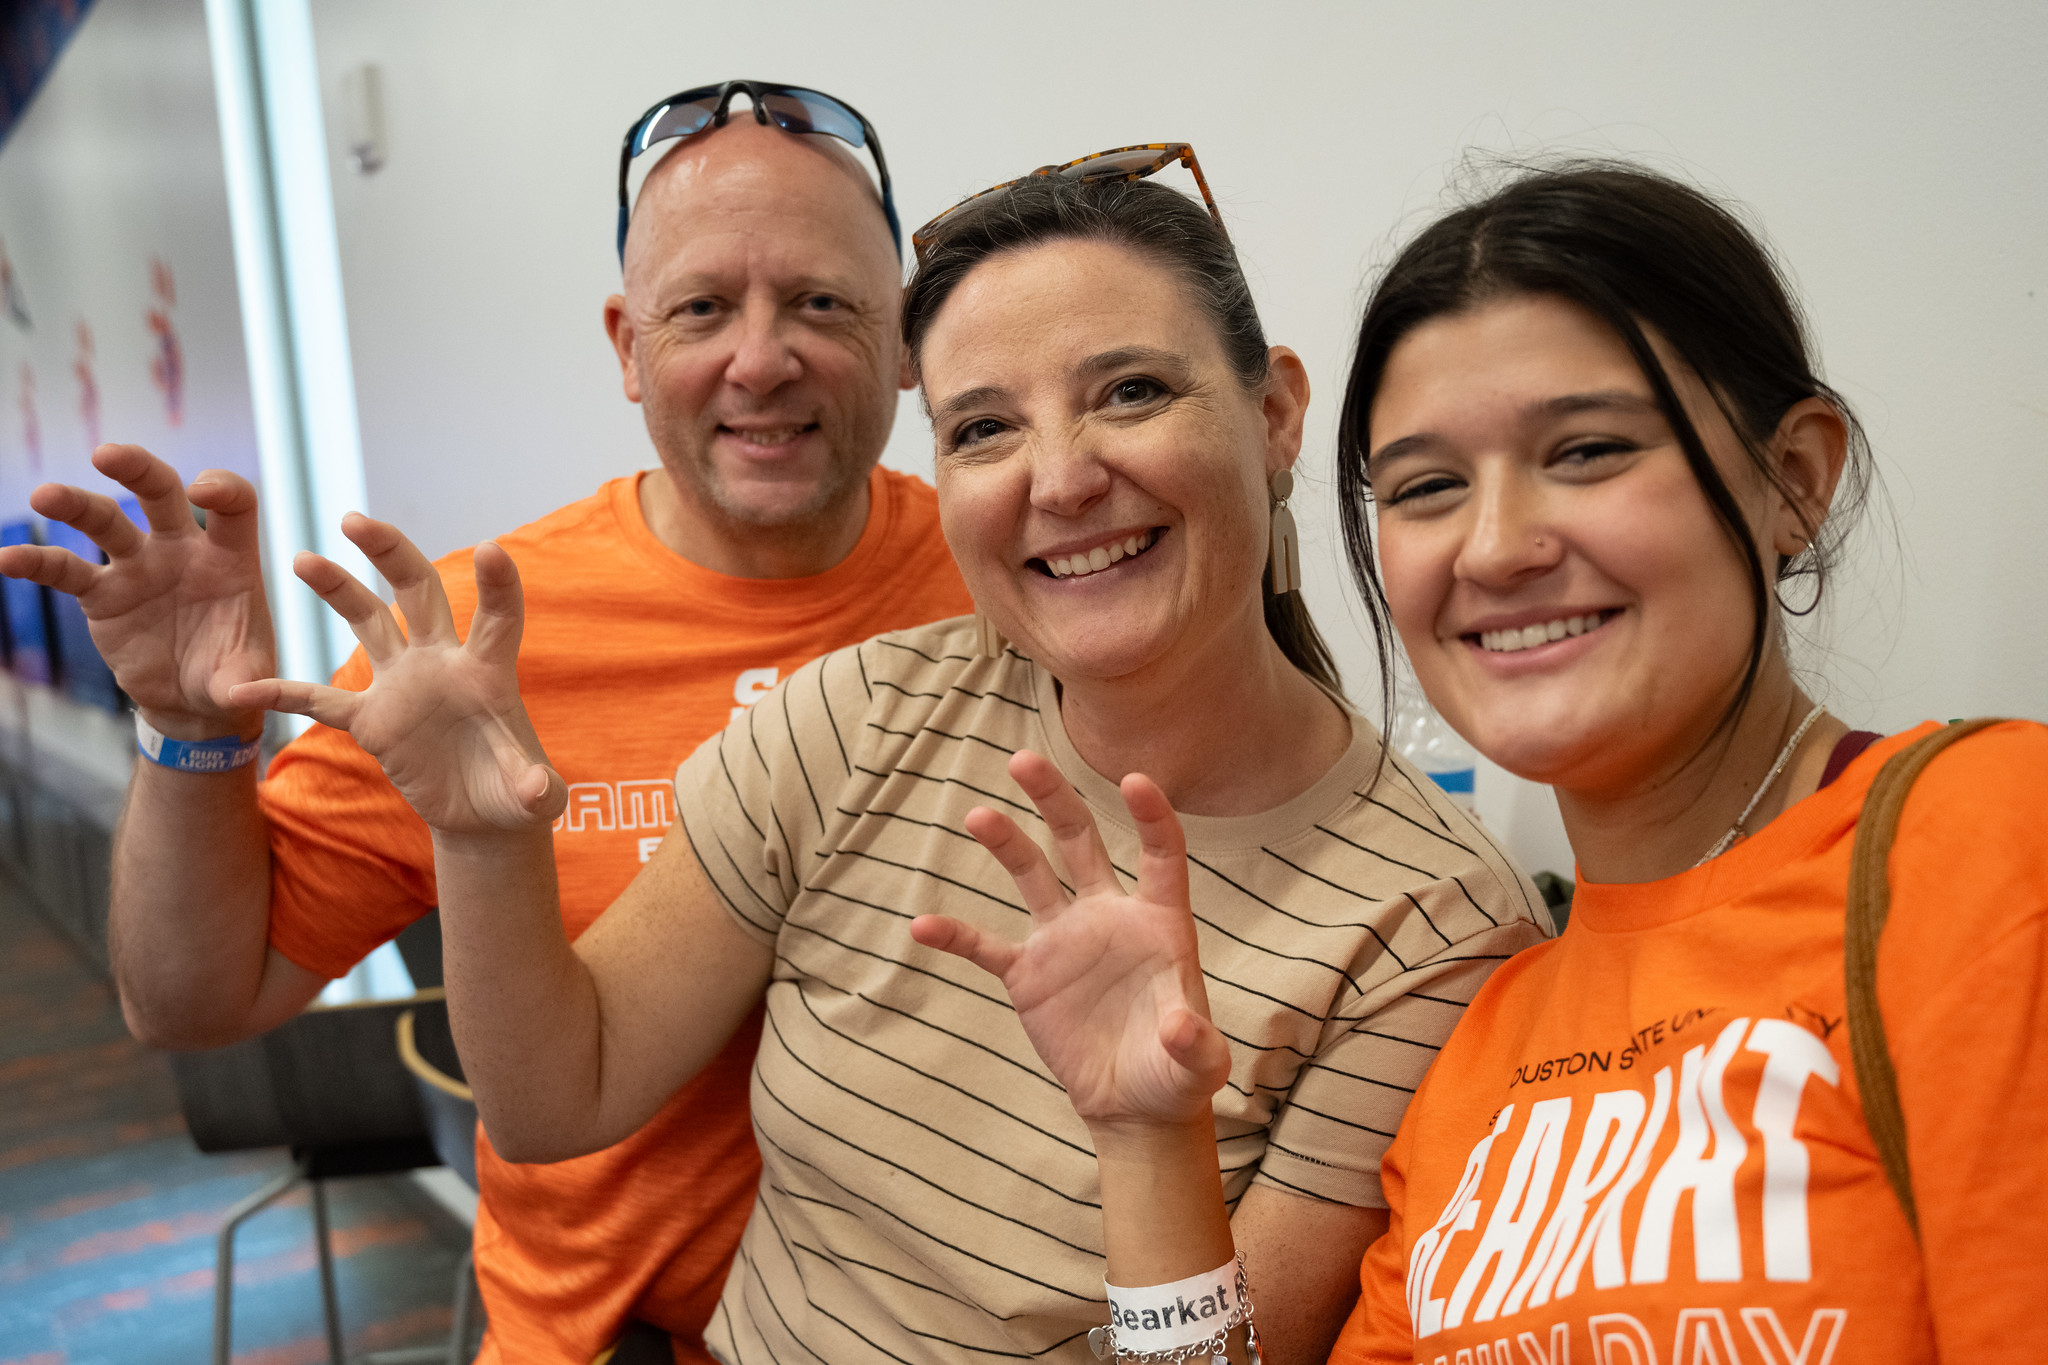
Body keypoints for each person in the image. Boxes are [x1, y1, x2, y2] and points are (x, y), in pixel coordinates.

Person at [230, 158, 1552, 1363]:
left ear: (1273, 413)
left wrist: (1151, 1134)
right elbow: (556, 1096)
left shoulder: (1426, 925)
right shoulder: (858, 712)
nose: (1063, 476)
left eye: (1131, 392)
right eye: (983, 427)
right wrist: (483, 840)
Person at [928, 160, 2047, 1364]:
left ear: (1794, 479)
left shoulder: (1982, 835)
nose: (1496, 548)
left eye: (1586, 452)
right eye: (1426, 487)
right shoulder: (1483, 1034)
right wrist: (1150, 1143)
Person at [0, 83, 973, 1365]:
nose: (759, 358)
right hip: (606, 1341)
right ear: (625, 347)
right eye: (700, 308)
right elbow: (193, 1000)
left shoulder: (1006, 577)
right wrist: (191, 734)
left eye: (820, 303)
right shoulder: (472, 638)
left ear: (906, 338)